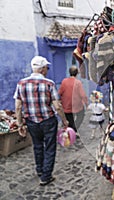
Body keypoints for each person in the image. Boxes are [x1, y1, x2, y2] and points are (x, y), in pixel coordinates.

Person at [14, 55, 69, 186]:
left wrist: (20, 123)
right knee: (50, 147)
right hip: (48, 121)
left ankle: (40, 170)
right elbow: (57, 106)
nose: (47, 70)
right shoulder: (49, 84)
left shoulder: (21, 84)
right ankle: (46, 176)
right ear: (43, 69)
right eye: (47, 68)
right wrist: (64, 121)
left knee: (37, 145)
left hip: (31, 121)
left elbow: (18, 106)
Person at [58, 66, 88, 134]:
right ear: (77, 73)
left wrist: (60, 100)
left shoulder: (64, 81)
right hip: (77, 106)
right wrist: (86, 103)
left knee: (69, 119)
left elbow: (60, 92)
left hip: (66, 105)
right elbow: (82, 94)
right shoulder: (78, 82)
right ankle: (73, 130)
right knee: (81, 115)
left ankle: (70, 131)